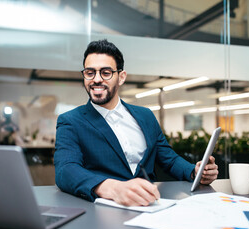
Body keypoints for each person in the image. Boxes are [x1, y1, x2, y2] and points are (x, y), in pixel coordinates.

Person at [54, 39, 218, 206]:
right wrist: (114, 188)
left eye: (105, 72)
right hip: (103, 211)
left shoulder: (145, 116)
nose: (96, 79)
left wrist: (195, 172)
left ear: (121, 77)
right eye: (90, 72)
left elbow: (169, 159)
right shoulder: (70, 121)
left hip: (150, 205)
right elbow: (65, 170)